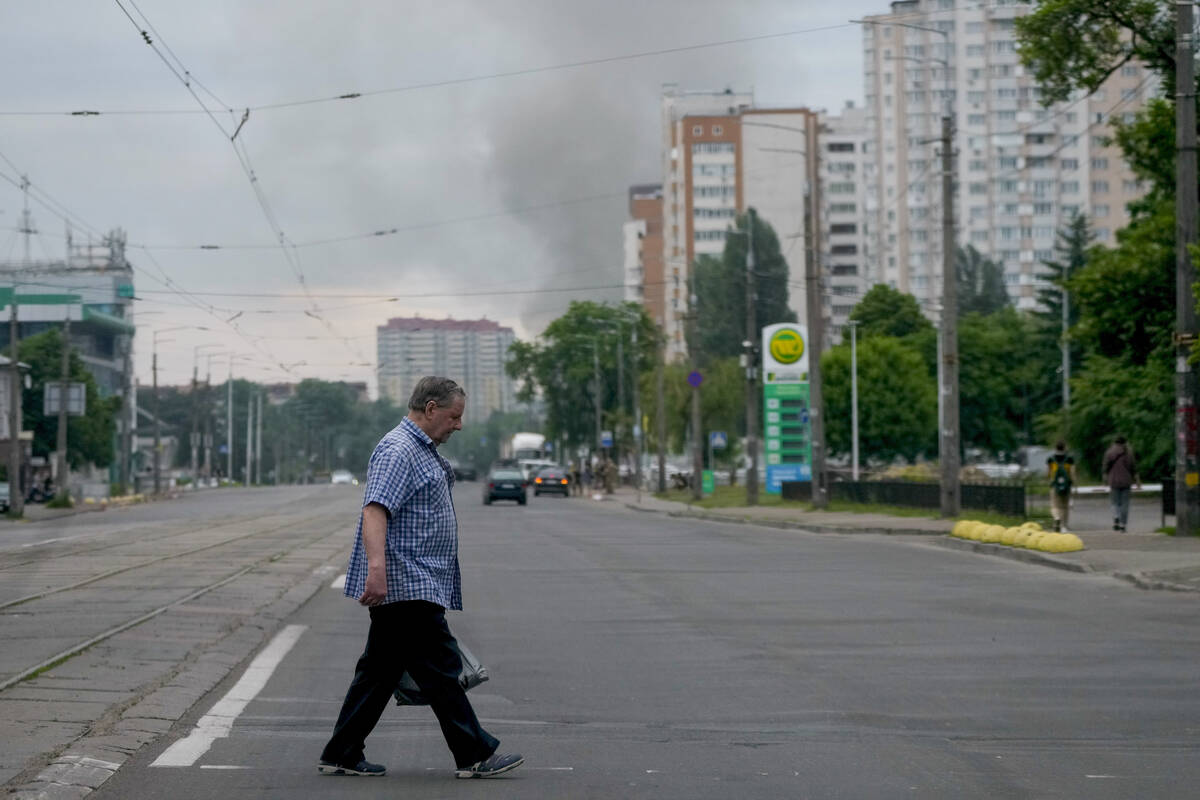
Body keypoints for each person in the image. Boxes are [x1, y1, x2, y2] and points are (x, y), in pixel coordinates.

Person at [318, 376, 523, 780]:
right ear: (431, 409)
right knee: (441, 669)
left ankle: (342, 750)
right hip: (407, 581)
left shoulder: (419, 449)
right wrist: (377, 570)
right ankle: (474, 753)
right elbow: (375, 510)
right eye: (454, 416)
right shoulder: (399, 450)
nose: (458, 425)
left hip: (417, 579)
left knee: (378, 673)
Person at [1103, 435, 1140, 532]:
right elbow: (1134, 468)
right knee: (1125, 504)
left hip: (1114, 480)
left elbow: (1105, 468)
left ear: (1115, 442)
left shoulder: (1109, 452)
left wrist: (1105, 479)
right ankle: (1123, 525)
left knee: (1114, 502)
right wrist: (1137, 481)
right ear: (1125, 443)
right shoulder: (1129, 453)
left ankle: (1116, 517)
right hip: (1126, 481)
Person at [1046, 440, 1076, 532]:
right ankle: (1064, 526)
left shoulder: (1051, 459)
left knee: (1055, 505)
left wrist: (1049, 480)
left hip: (1055, 485)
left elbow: (1048, 472)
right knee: (1065, 506)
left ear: (1055, 448)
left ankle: (1056, 518)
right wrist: (1074, 483)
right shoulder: (1069, 459)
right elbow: (1072, 472)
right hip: (1066, 485)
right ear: (1065, 447)